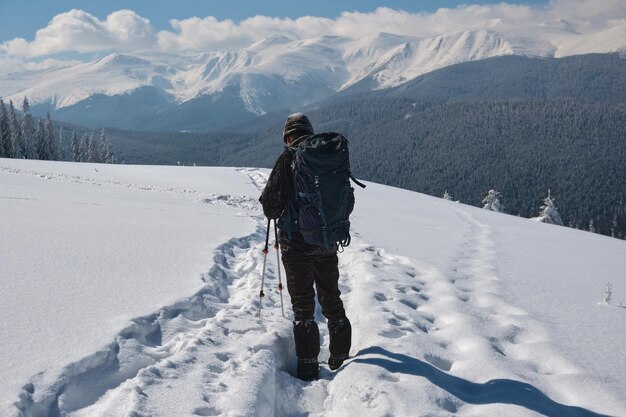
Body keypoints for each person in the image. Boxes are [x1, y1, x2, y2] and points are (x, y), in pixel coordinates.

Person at [259, 113, 352, 381]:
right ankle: (341, 358)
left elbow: (271, 206)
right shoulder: (325, 157)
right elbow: (348, 199)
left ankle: (309, 368)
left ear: (287, 136)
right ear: (309, 132)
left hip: (295, 245)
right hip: (325, 241)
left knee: (303, 307)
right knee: (331, 297)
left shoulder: (287, 159)